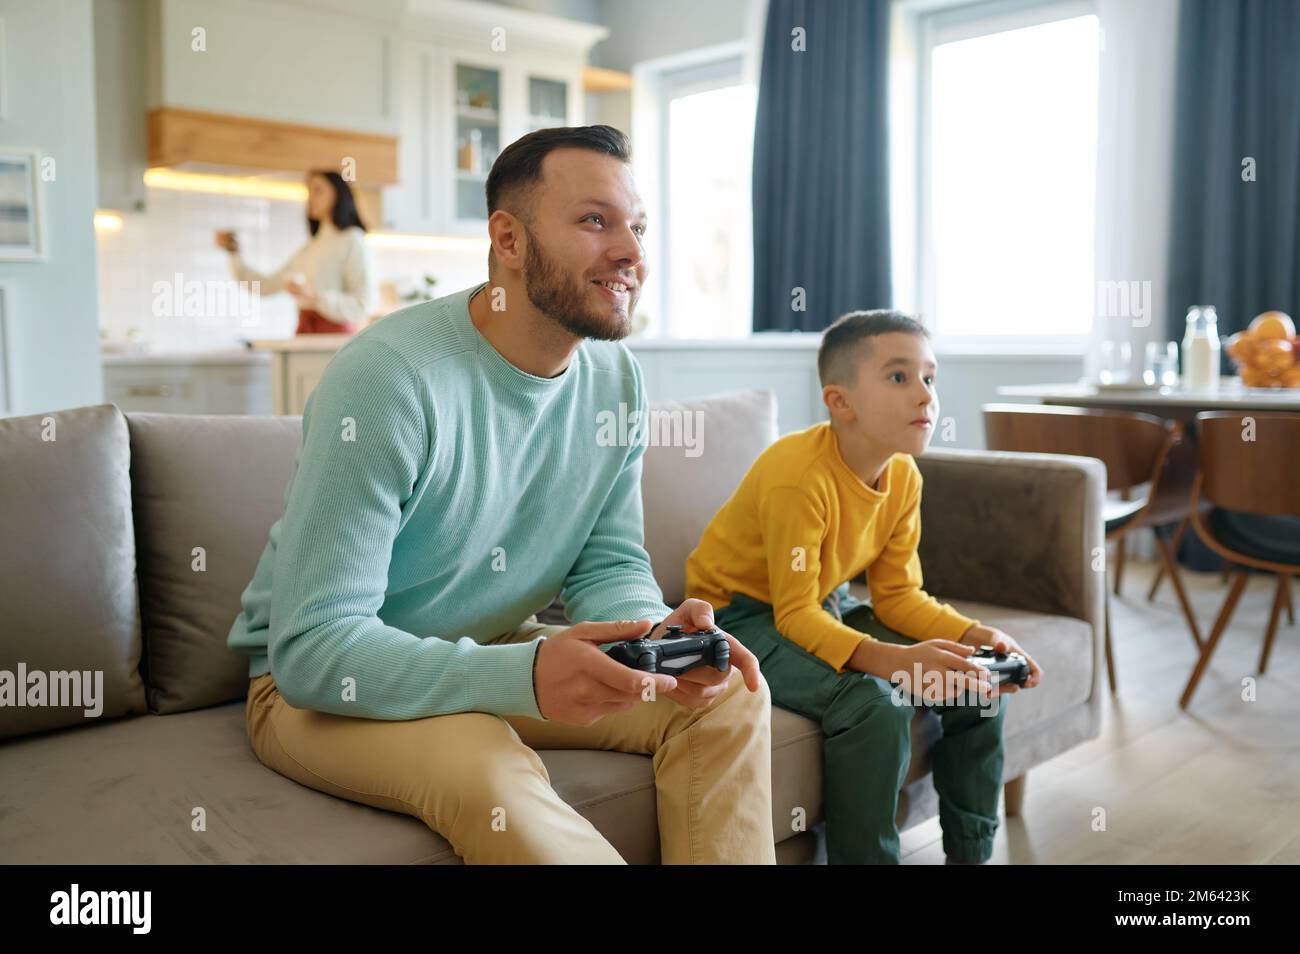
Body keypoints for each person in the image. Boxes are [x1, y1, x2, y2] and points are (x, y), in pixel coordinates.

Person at [227, 126, 775, 864]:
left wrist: (653, 639)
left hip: (482, 644)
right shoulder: (389, 378)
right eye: (594, 221)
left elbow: (604, 557)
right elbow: (313, 648)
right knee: (480, 752)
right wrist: (519, 674)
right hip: (318, 687)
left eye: (637, 226)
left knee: (731, 697)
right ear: (508, 241)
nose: (633, 253)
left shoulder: (616, 381)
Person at [685, 310, 1043, 865]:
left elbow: (898, 595)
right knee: (876, 701)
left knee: (976, 680)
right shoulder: (797, 476)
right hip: (740, 618)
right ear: (839, 402)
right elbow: (792, 615)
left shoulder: (903, 475)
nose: (925, 396)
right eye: (900, 377)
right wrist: (895, 662)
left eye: (930, 378)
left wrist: (980, 634)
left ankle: (971, 854)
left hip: (823, 602)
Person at [216, 170, 373, 335]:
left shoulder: (352, 240)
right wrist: (233, 253)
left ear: (338, 194)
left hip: (335, 341)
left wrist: (315, 296)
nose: (310, 198)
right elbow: (265, 285)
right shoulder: (310, 249)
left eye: (318, 190)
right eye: (309, 192)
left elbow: (364, 304)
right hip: (305, 336)